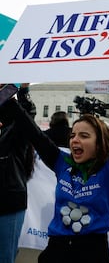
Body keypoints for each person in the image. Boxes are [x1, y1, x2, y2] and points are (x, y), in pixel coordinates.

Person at [0, 73, 109, 263]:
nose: (75, 140)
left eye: (84, 136)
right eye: (73, 135)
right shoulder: (62, 162)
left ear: (99, 143)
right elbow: (34, 133)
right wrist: (6, 94)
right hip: (55, 251)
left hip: (92, 253)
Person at [0, 83, 36, 263]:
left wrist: (23, 91)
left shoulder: (15, 134)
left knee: (5, 256)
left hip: (9, 202)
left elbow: (27, 116)